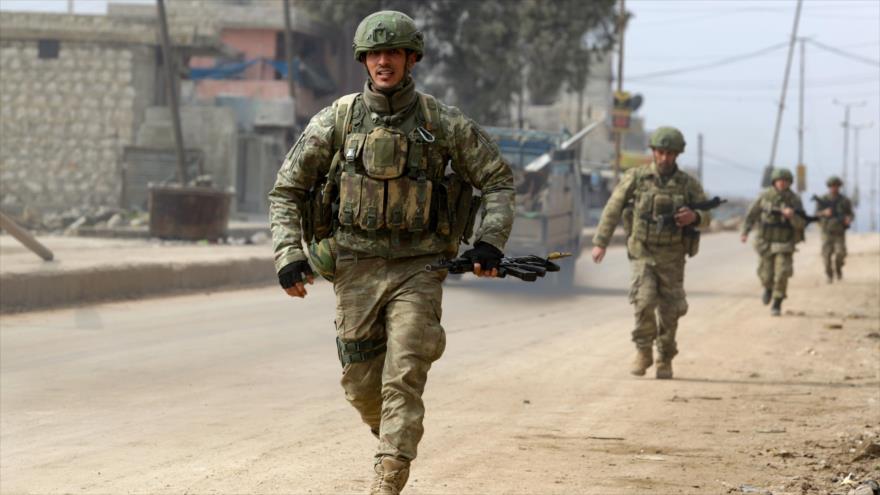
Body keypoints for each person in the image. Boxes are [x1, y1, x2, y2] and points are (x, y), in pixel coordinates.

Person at [268, 11, 514, 495]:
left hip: (420, 267)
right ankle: (394, 435)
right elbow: (287, 190)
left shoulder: (440, 122)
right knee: (361, 386)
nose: (384, 61)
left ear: (410, 58)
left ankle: (389, 475)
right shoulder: (337, 120)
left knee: (404, 372)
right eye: (376, 54)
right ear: (364, 60)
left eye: (394, 53)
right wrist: (287, 255)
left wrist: (490, 242)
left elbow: (498, 180)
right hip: (354, 266)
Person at [591, 127, 712, 379]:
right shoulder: (636, 178)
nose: (665, 158)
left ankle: (665, 358)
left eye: (670, 153)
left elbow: (707, 216)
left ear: (677, 155)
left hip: (673, 256)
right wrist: (601, 241)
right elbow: (613, 207)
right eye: (661, 152)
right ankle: (643, 351)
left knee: (670, 311)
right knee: (644, 302)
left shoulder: (688, 185)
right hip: (642, 252)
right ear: (653, 152)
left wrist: (695, 216)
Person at [740, 168, 806, 316]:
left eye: (785, 181)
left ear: (789, 183)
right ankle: (767, 288)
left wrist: (792, 216)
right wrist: (745, 232)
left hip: (784, 243)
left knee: (782, 272)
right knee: (765, 273)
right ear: (774, 182)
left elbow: (802, 223)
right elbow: (751, 215)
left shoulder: (794, 200)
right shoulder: (765, 197)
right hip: (765, 241)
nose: (782, 183)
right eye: (779, 180)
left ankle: (777, 301)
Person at [815, 176, 854, 282]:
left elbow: (850, 214)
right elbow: (816, 214)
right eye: (832, 186)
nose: (834, 188)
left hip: (839, 232)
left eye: (836, 186)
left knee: (840, 253)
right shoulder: (823, 200)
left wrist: (848, 219)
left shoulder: (844, 201)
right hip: (826, 232)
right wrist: (824, 212)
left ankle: (838, 269)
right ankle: (829, 275)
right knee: (826, 256)